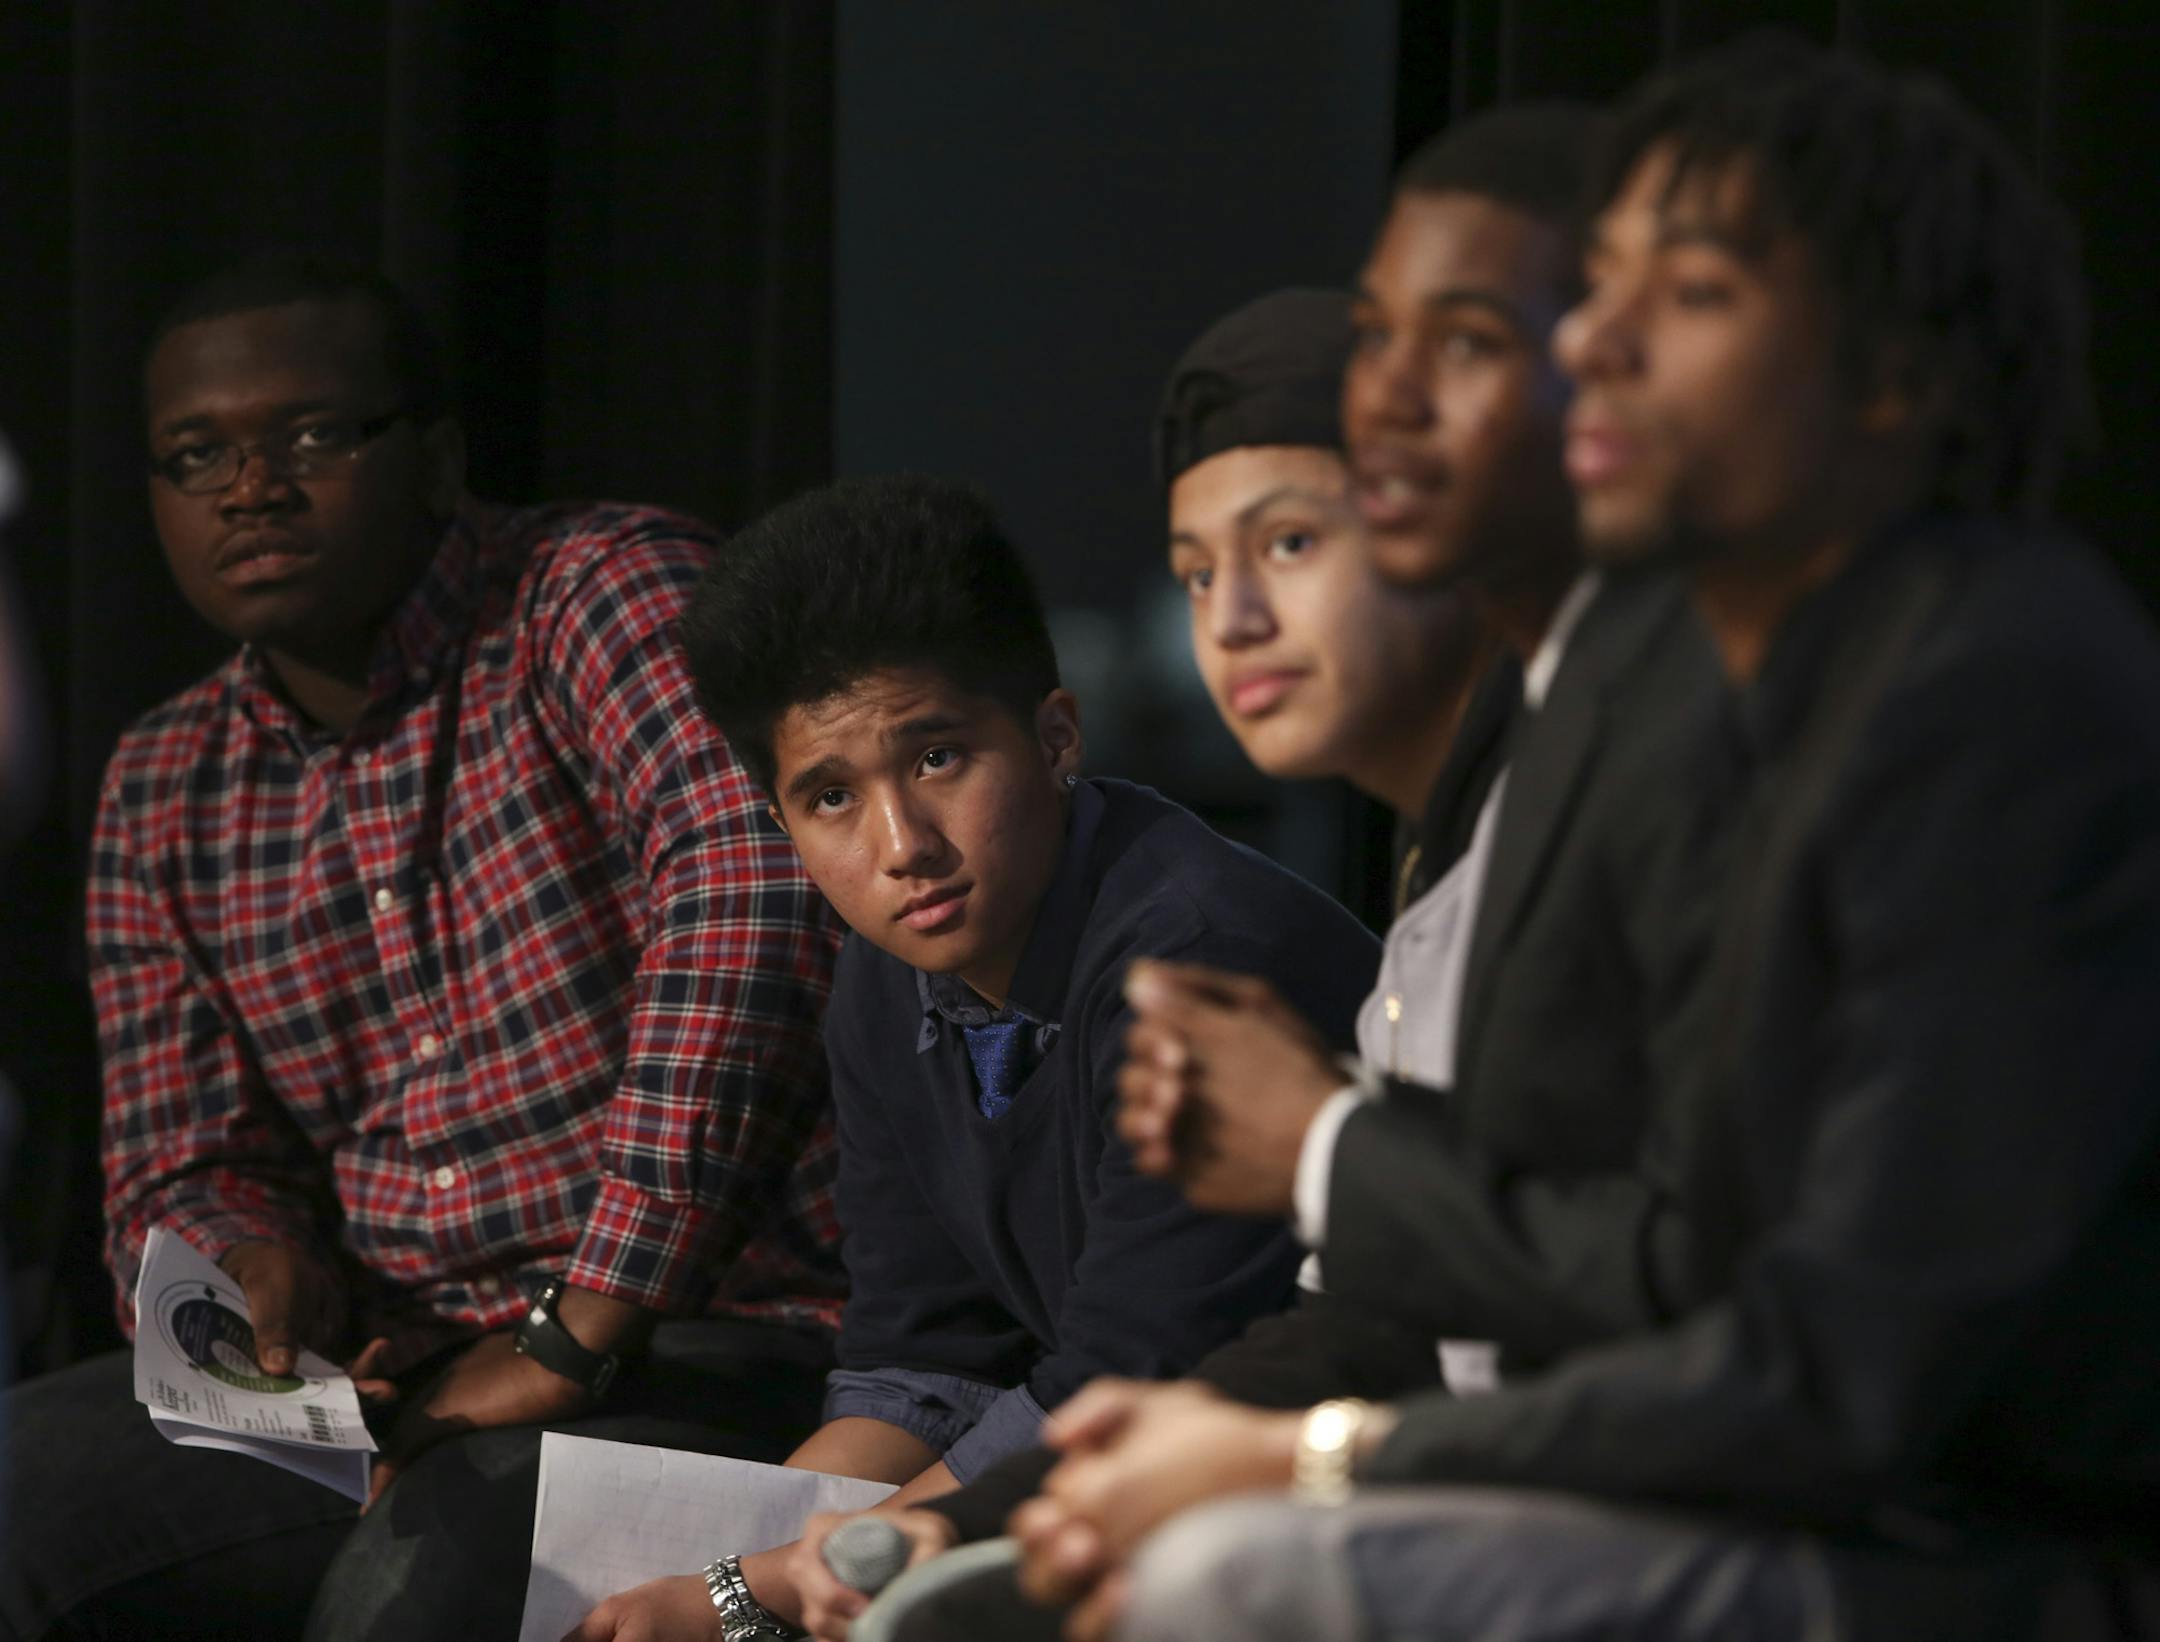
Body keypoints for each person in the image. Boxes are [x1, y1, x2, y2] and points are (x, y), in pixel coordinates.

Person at [1019, 33, 2160, 1642]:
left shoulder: (1992, 685)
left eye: (1688, 293)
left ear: (1895, 378)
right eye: (1599, 286)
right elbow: (1666, 1264)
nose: (1598, 342)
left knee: (1227, 1573)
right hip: (1756, 1494)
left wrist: (1312, 1448)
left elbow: (1829, 1374)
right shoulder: (1760, 690)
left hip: (1975, 1556)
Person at [0, 255, 846, 1642]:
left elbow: (753, 896)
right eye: (197, 455)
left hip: (712, 1331)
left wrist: (578, 1325)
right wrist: (247, 1268)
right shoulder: (164, 781)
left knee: (416, 1582)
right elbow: (184, 1156)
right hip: (402, 1370)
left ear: (439, 459)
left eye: (311, 436)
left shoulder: (597, 593)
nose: (250, 489)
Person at [565, 473, 1379, 1642]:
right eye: (831, 796)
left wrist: (752, 1592)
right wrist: (738, 1566)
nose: (903, 846)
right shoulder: (882, 971)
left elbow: (1122, 1385)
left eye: (938, 758)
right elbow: (921, 1360)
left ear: (1055, 737)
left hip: (1314, 1513)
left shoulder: (1199, 962)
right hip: (1109, 1487)